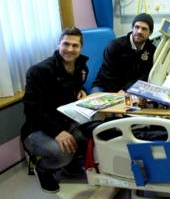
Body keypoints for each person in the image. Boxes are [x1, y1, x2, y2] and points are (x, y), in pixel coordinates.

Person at [21, 27, 89, 193]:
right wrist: (58, 132)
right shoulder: (40, 71)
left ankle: (69, 165)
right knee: (61, 153)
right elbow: (32, 109)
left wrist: (82, 90)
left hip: (65, 121)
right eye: (66, 44)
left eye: (75, 45)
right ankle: (43, 168)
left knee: (91, 133)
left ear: (81, 48)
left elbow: (75, 85)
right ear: (58, 44)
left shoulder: (81, 67)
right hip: (38, 128)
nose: (70, 49)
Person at [91, 13, 156, 93]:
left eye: (144, 29)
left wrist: (125, 90)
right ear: (132, 28)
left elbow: (145, 76)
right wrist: (118, 92)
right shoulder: (115, 45)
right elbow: (107, 73)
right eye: (137, 27)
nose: (139, 31)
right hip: (105, 86)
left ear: (150, 33)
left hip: (130, 89)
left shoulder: (152, 50)